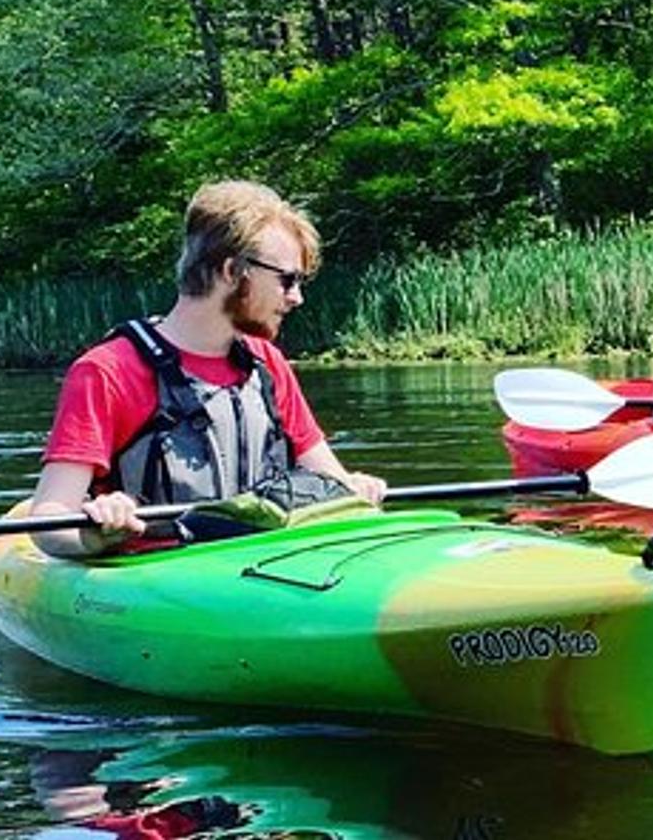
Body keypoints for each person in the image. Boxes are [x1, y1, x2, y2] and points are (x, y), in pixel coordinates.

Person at [28, 180, 387, 557]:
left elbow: (330, 478)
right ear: (232, 271)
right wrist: (93, 533)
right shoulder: (106, 371)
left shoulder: (267, 364)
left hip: (270, 559)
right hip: (161, 572)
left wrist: (353, 488)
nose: (297, 297)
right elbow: (49, 520)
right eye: (287, 280)